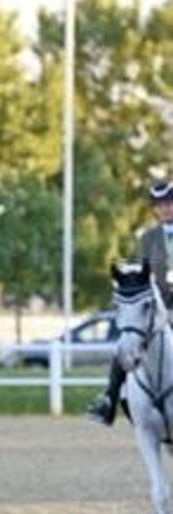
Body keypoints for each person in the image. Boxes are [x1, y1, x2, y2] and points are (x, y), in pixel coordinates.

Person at [87, 180, 173, 425]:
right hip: (155, 309)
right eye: (160, 205)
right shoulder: (148, 238)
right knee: (124, 346)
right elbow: (143, 275)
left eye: (169, 203)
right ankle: (109, 400)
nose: (166, 209)